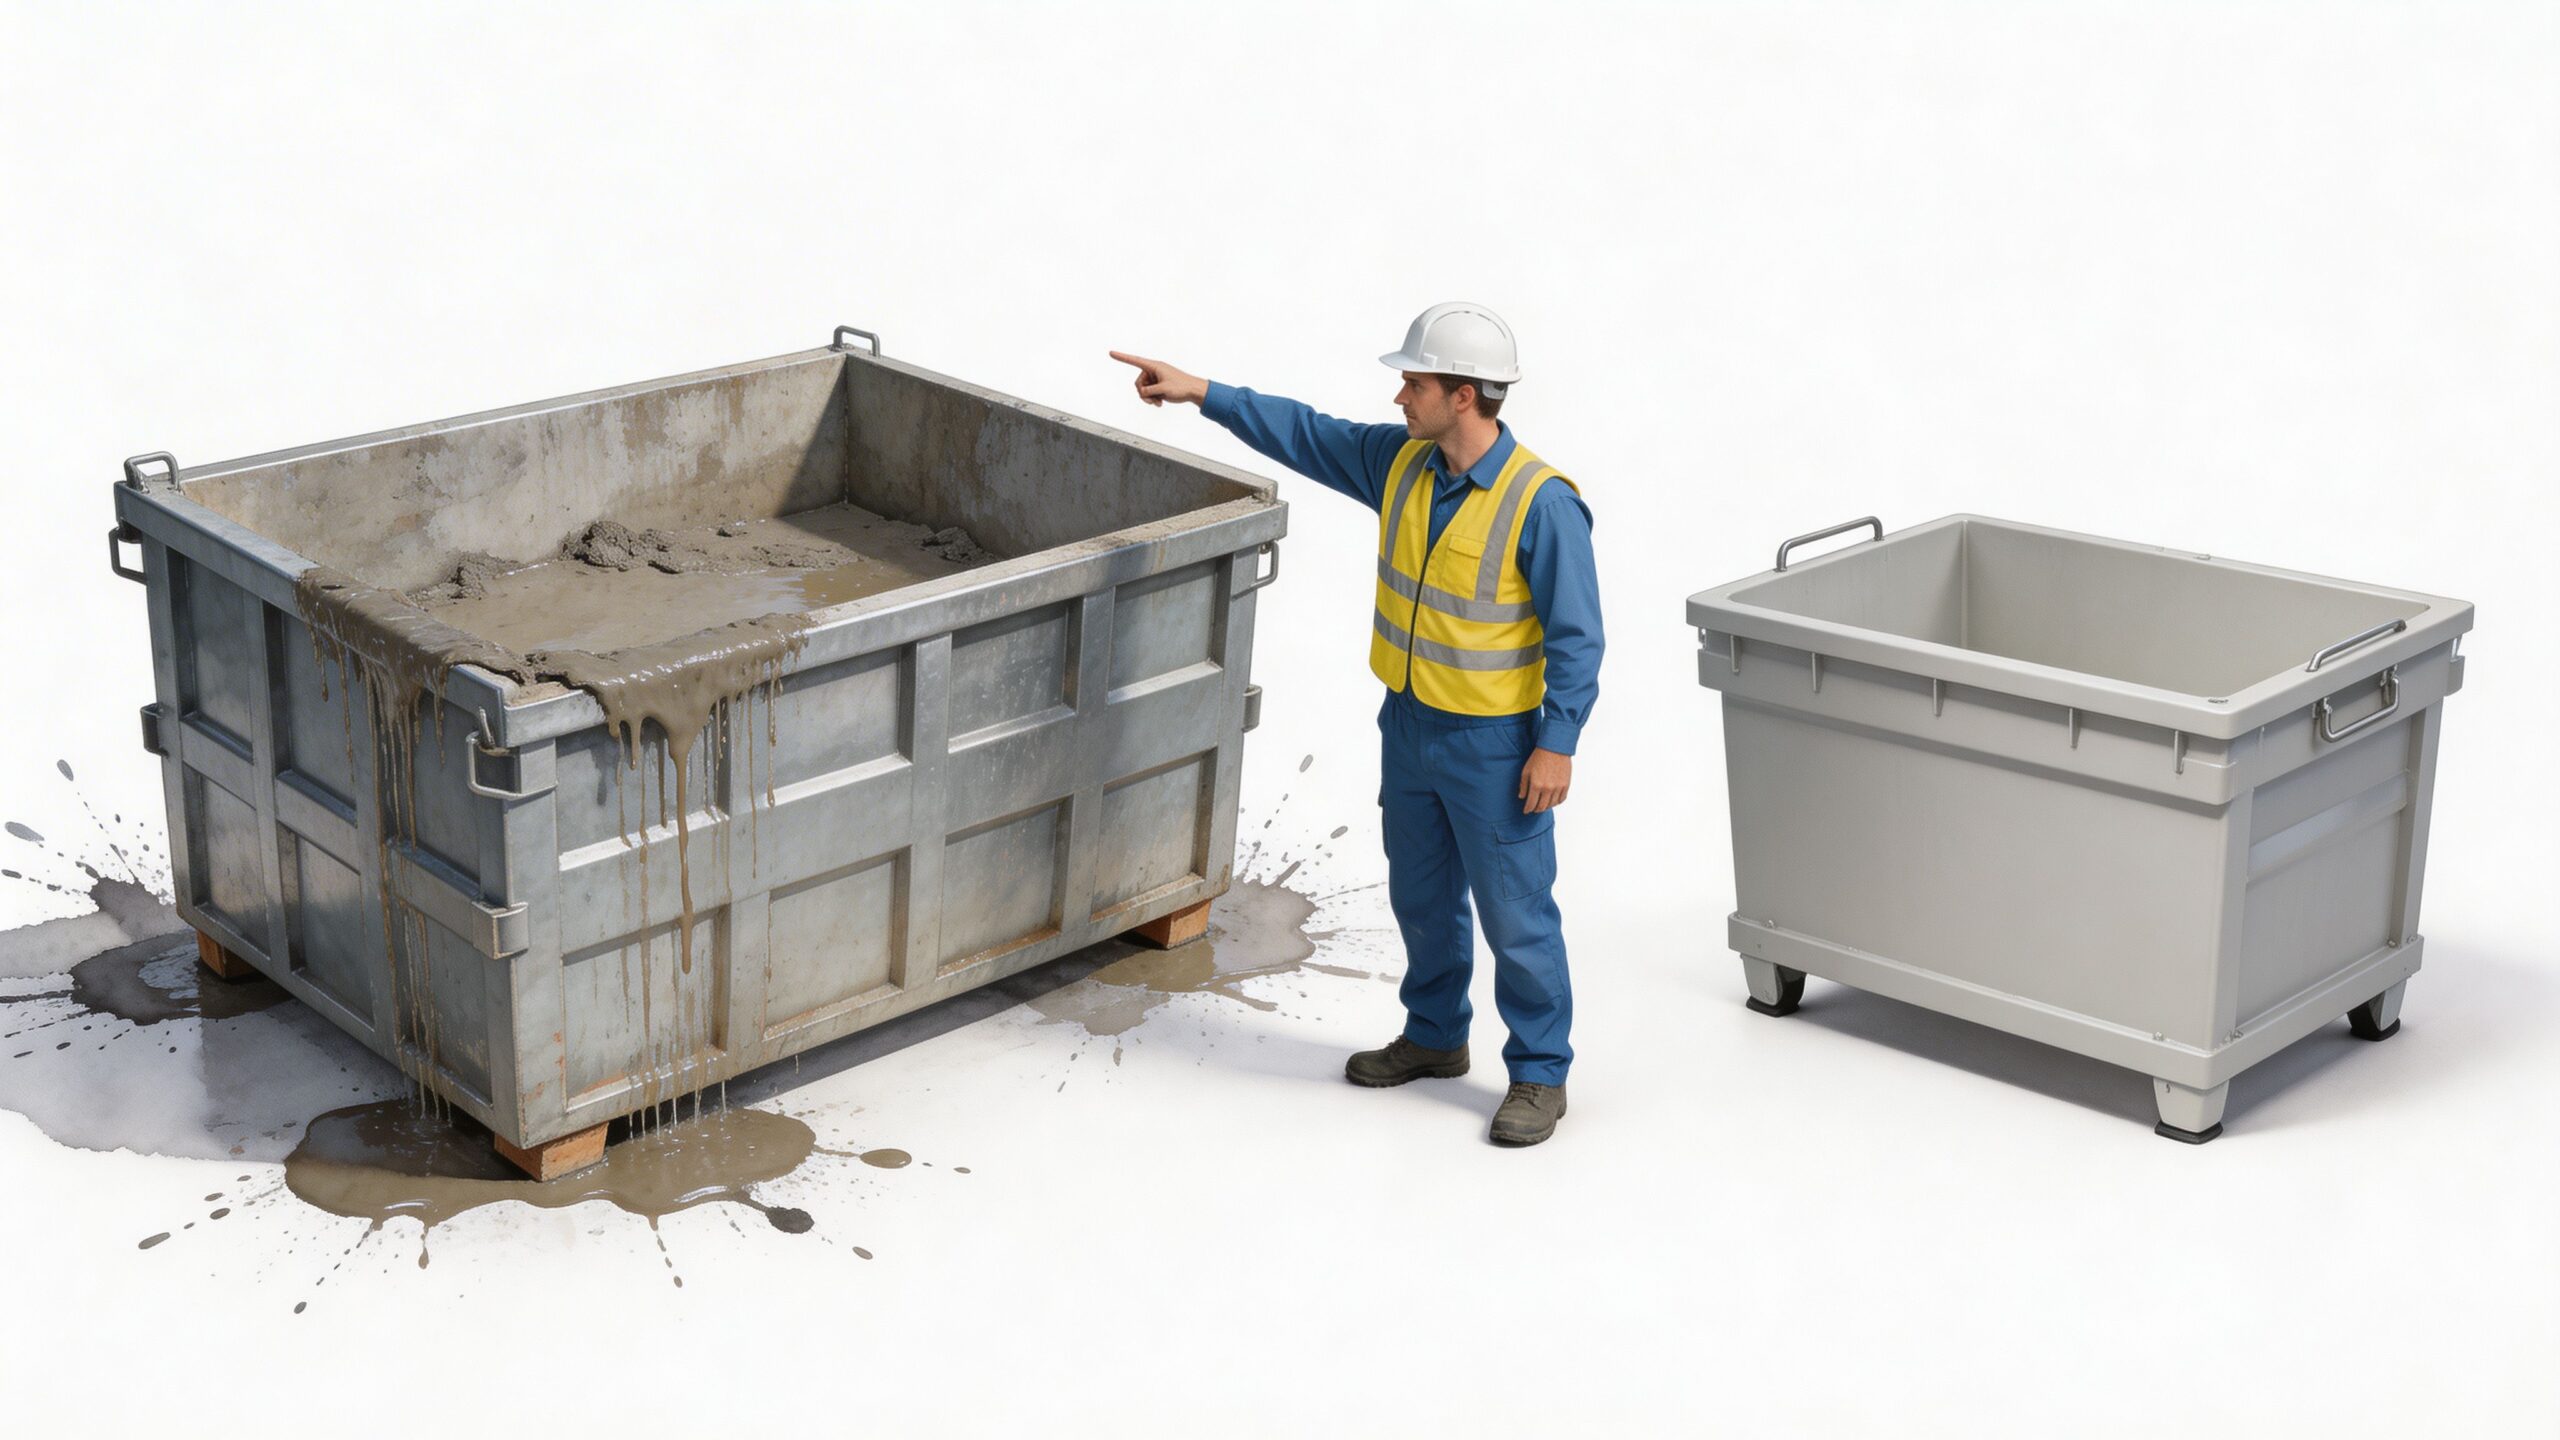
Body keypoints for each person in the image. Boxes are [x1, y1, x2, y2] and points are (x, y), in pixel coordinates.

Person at [1109, 303, 1602, 1147]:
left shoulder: (1541, 503)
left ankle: (1539, 1073)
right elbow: (1304, 432)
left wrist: (1556, 742)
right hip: (1408, 725)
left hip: (1496, 746)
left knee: (1516, 912)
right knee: (1420, 894)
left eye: (1416, 382)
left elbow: (1578, 635)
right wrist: (1204, 393)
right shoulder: (1402, 464)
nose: (1400, 396)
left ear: (1467, 395)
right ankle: (1437, 1035)